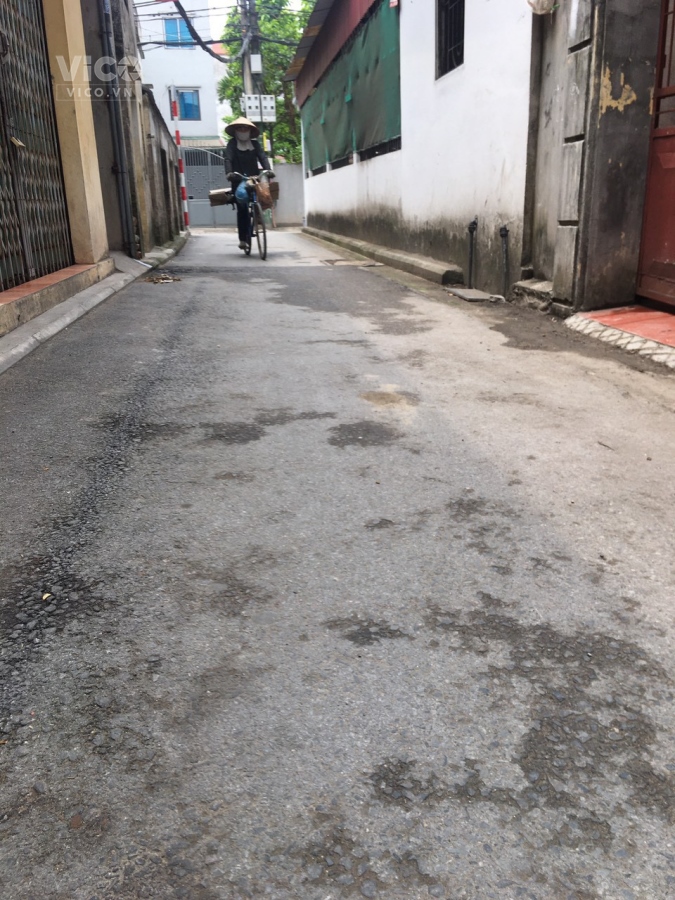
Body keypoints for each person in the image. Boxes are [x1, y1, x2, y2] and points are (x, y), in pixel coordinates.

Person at [224, 117, 273, 250]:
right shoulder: (232, 144)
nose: (242, 131)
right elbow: (228, 159)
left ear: (250, 131)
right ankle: (242, 239)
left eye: (245, 128)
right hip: (238, 179)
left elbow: (263, 157)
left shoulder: (255, 145)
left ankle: (258, 218)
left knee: (263, 198)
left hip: (254, 178)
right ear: (235, 131)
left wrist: (268, 170)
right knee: (242, 209)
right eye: (239, 128)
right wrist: (229, 173)